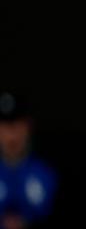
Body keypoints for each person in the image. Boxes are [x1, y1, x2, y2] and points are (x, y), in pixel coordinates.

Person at [0, 92, 57, 229]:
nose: (12, 132)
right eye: (5, 125)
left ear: (29, 127)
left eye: (18, 124)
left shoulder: (48, 174)